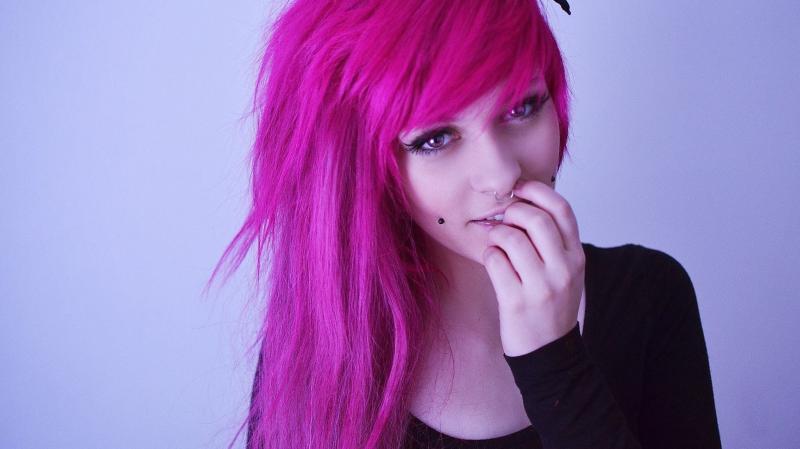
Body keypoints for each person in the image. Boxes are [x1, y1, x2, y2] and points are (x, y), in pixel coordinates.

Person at [205, 0, 723, 448]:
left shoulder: (651, 296)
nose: (501, 174)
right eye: (435, 139)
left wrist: (556, 365)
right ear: (360, 167)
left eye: (522, 107)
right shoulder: (326, 342)